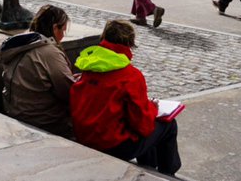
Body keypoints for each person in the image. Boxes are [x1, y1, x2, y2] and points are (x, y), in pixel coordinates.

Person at [71, 20, 182, 176]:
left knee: (143, 127)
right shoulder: (131, 76)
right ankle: (167, 174)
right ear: (129, 44)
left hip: (85, 136)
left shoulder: (88, 67)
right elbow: (143, 125)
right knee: (168, 125)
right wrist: (153, 108)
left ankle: (149, 167)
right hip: (112, 145)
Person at [0, 4, 75, 138]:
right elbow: (68, 91)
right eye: (63, 30)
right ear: (55, 28)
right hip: (43, 120)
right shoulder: (48, 52)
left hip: (16, 111)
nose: (63, 35)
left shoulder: (21, 44)